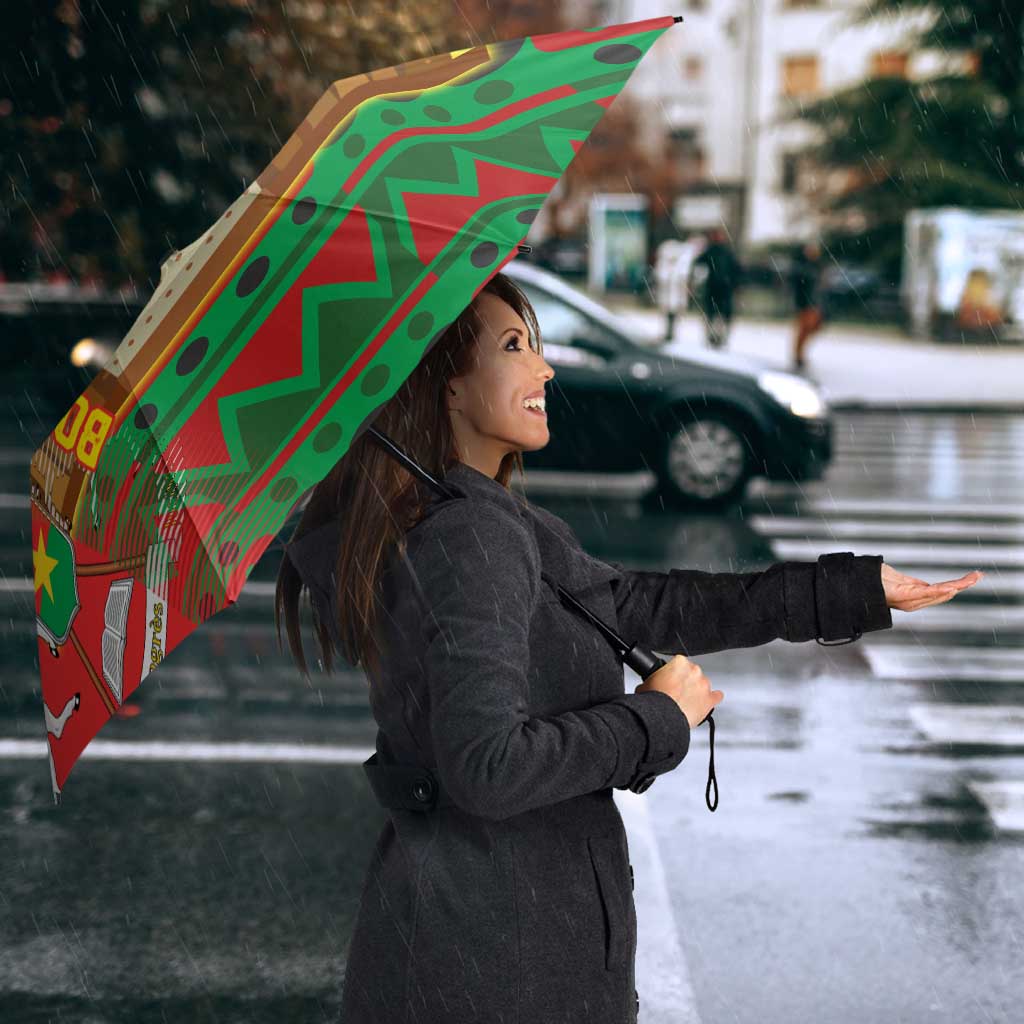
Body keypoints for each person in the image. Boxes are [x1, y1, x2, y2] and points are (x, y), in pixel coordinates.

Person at [276, 271, 982, 1024]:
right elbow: (487, 767)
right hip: (496, 962)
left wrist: (849, 590)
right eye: (514, 346)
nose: (544, 368)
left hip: (479, 943)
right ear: (446, 386)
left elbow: (643, 605)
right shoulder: (470, 536)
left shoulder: (480, 519)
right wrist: (655, 719)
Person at [692, 226, 742, 349]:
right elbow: (698, 264)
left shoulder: (725, 252)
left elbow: (736, 270)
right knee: (713, 314)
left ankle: (719, 337)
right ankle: (713, 337)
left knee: (720, 315)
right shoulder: (712, 251)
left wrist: (735, 284)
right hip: (715, 288)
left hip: (723, 288)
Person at [790, 239, 826, 370]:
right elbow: (799, 286)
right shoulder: (802, 267)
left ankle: (799, 354)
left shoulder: (817, 266)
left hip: (814, 303)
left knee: (812, 328)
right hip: (805, 303)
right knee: (804, 329)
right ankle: (798, 355)